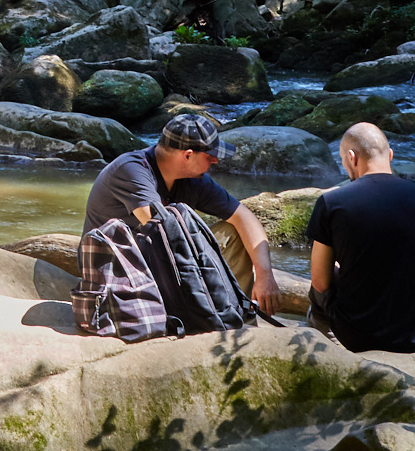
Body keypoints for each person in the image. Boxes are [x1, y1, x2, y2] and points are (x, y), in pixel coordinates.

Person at [82, 113, 277, 314]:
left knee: (233, 231)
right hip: (120, 271)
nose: (216, 161)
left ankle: (234, 314)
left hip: (160, 262)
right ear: (188, 155)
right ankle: (205, 314)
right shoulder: (132, 170)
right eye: (210, 156)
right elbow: (159, 229)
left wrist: (265, 275)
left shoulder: (192, 178)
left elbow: (244, 216)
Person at [307, 122, 415, 354]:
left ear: (352, 158)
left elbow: (320, 283)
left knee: (323, 281)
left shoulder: (331, 203)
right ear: (390, 155)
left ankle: (323, 345)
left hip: (354, 337)